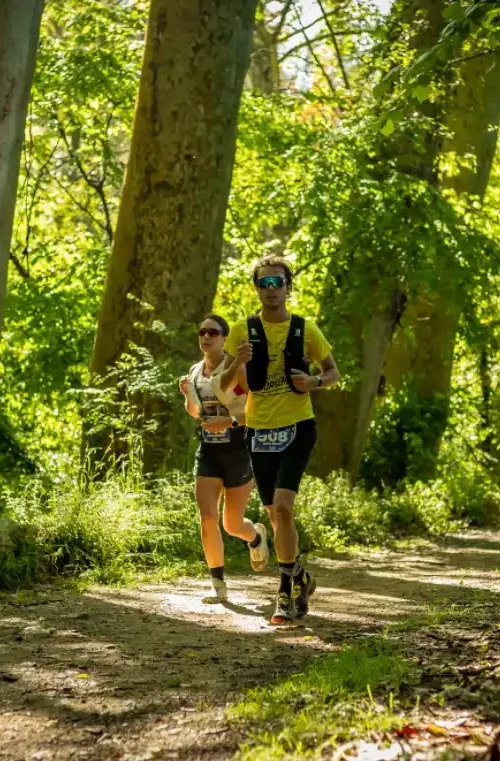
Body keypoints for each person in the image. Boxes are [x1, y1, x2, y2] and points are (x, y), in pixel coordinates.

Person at [220, 256, 340, 624]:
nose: (271, 290)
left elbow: (333, 372)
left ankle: (285, 592)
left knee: (284, 508)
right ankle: (300, 575)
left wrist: (314, 382)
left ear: (288, 287)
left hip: (298, 427)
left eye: (277, 283)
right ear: (256, 288)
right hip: (258, 431)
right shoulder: (242, 330)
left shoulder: (306, 330)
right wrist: (235, 363)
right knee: (274, 516)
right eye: (264, 283)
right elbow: (222, 386)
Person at [179, 314, 269, 603]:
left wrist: (227, 422)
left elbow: (254, 412)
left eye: (213, 332)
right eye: (202, 332)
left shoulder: (237, 369)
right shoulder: (195, 372)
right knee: (207, 517)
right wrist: (188, 395)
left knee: (232, 524)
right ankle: (218, 585)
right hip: (208, 452)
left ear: (225, 338)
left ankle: (256, 536)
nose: (206, 337)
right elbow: (195, 413)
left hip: (238, 450)